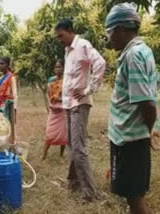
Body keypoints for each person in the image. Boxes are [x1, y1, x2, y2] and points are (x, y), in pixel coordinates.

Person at [105, 3, 160, 213]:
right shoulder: (143, 51)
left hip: (131, 140)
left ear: (120, 29)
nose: (108, 38)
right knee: (129, 194)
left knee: (134, 199)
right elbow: (155, 85)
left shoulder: (132, 56)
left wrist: (147, 131)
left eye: (108, 32)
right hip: (127, 137)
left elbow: (147, 102)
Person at [54, 18, 106, 201]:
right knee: (71, 145)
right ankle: (73, 182)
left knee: (79, 148)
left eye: (61, 35)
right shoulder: (67, 51)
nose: (59, 39)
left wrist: (88, 89)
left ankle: (90, 193)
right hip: (68, 104)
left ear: (69, 30)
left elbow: (100, 64)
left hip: (80, 104)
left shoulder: (83, 45)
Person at [42, 59, 68, 160]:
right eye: (56, 67)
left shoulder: (66, 81)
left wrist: (63, 103)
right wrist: (49, 105)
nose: (58, 69)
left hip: (63, 109)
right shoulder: (51, 80)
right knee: (49, 133)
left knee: (63, 134)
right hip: (53, 109)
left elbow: (68, 95)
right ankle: (44, 155)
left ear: (63, 68)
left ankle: (61, 154)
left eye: (60, 67)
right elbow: (48, 94)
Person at [0, 57, 18, 144]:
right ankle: (2, 145)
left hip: (9, 106)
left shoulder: (11, 77)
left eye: (2, 64)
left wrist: (14, 109)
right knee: (1, 127)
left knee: (11, 127)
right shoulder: (0, 79)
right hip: (1, 106)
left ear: (7, 65)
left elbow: (15, 95)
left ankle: (12, 145)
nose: (0, 66)